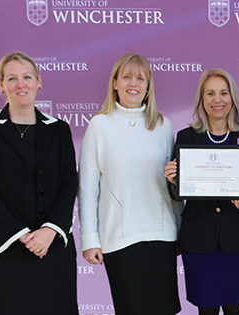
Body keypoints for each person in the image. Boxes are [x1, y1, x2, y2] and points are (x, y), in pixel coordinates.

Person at [0, 51, 78, 314]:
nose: (20, 84)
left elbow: (68, 182)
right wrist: (20, 235)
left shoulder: (59, 129)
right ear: (1, 86)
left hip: (51, 246)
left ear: (39, 81)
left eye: (27, 77)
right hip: (1, 246)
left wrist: (50, 230)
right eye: (12, 78)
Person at [78, 52, 183, 315]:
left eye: (140, 78)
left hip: (163, 237)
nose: (132, 83)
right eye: (126, 76)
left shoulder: (163, 125)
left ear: (148, 87)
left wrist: (183, 232)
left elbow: (173, 187)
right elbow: (88, 189)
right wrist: (89, 239)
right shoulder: (99, 126)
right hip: (119, 239)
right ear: (115, 83)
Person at [163, 68, 239, 315]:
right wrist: (173, 179)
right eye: (210, 93)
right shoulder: (186, 137)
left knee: (235, 310)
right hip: (199, 242)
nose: (217, 100)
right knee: (206, 310)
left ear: (232, 98)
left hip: (238, 240)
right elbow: (178, 192)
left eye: (223, 93)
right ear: (201, 98)